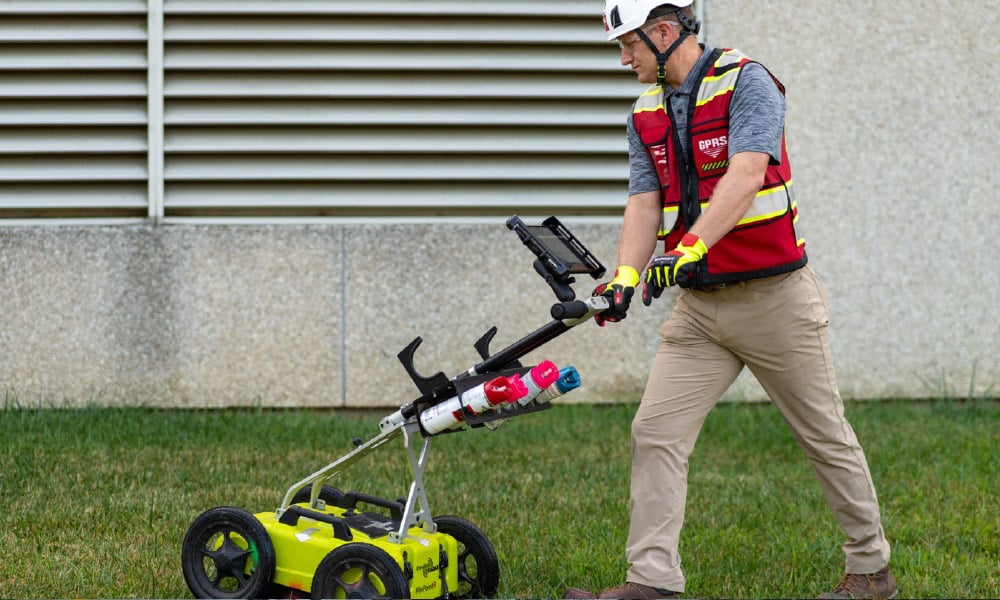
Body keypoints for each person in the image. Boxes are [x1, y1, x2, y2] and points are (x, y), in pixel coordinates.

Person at [564, 2, 896, 599]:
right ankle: (652, 581)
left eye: (630, 45)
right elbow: (643, 202)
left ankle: (871, 571)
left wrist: (689, 246)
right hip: (699, 313)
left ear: (665, 33)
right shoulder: (645, 113)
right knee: (655, 433)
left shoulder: (748, 81)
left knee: (824, 435)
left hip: (778, 301)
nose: (624, 59)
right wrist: (622, 276)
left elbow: (746, 174)